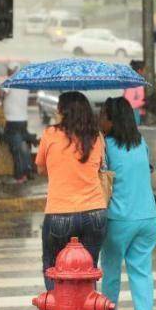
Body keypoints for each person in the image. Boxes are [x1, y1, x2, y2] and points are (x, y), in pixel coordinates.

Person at [96, 97, 156, 310]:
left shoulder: (106, 146)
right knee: (142, 274)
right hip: (147, 218)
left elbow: (101, 179)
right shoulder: (140, 142)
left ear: (112, 120)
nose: (100, 120)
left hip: (119, 219)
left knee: (111, 273)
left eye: (103, 116)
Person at [35, 91, 107, 291]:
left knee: (52, 266)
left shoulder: (50, 134)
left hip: (60, 212)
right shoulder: (95, 136)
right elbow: (99, 166)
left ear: (62, 110)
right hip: (95, 213)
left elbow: (41, 168)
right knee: (88, 268)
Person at [1, 63, 32, 184]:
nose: (7, 72)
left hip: (12, 121)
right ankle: (26, 172)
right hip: (23, 120)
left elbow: (0, 94)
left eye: (9, 70)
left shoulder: (11, 81)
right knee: (23, 148)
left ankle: (19, 176)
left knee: (16, 149)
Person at [124, 60, 146, 125]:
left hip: (139, 113)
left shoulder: (138, 83)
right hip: (134, 113)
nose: (145, 72)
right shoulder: (133, 84)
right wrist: (144, 102)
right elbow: (129, 102)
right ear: (139, 71)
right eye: (145, 70)